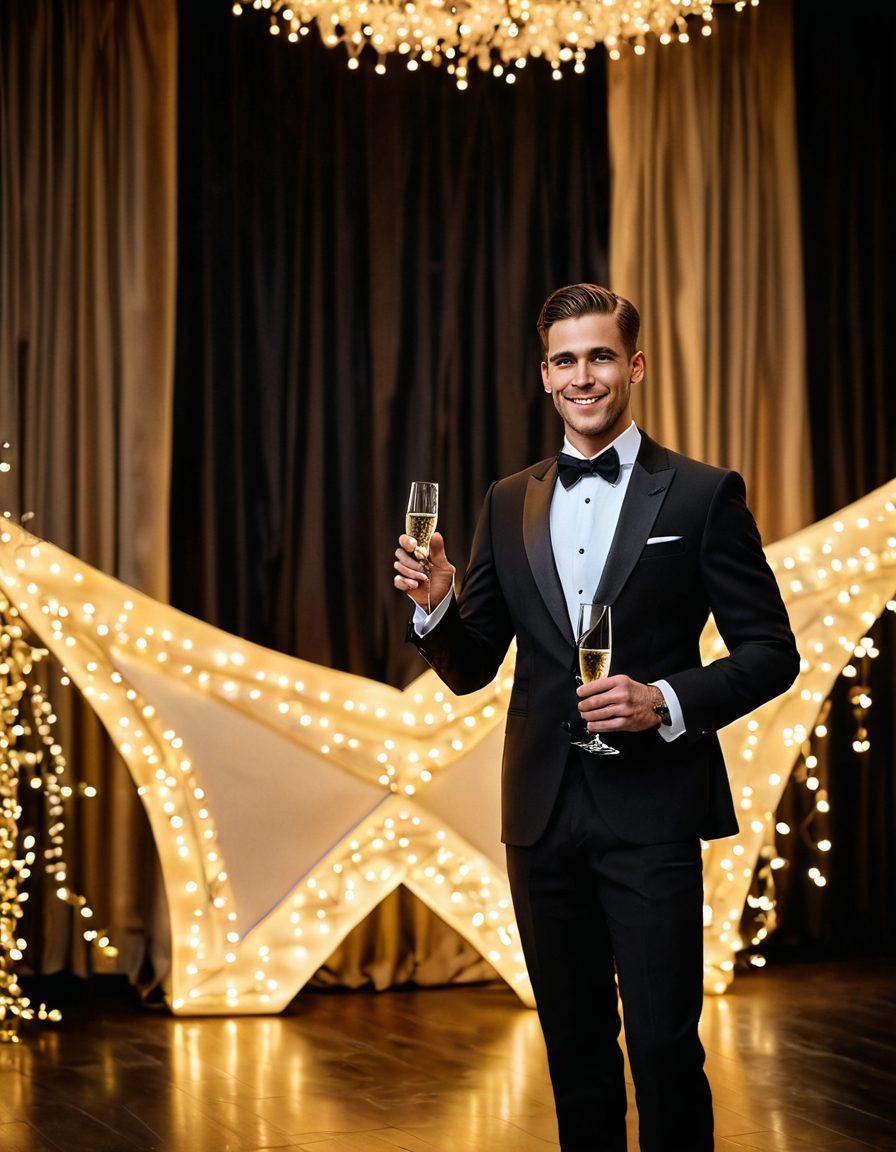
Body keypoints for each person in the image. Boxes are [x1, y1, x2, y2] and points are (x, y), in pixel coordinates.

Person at [393, 283, 800, 1152]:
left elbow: (772, 651)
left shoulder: (699, 494)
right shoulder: (508, 501)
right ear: (545, 375)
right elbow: (472, 669)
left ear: (635, 365)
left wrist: (667, 702)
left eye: (602, 356)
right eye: (566, 359)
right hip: (540, 816)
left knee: (661, 1050)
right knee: (575, 1053)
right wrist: (436, 612)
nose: (585, 376)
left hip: (652, 811)